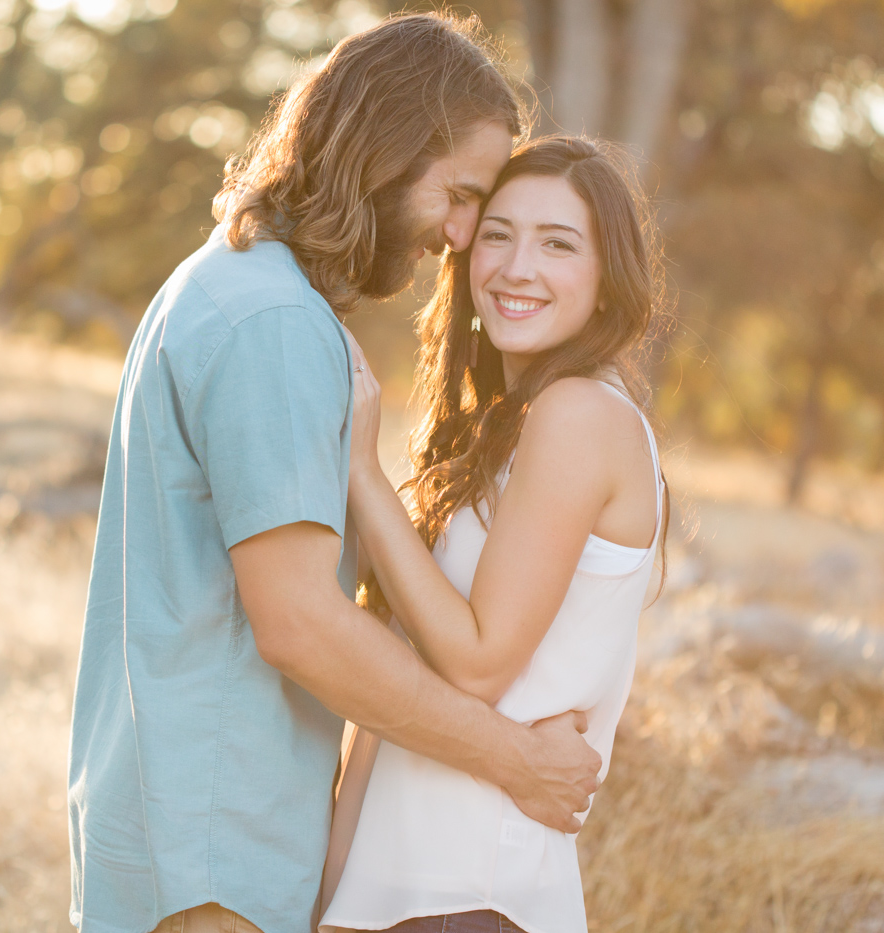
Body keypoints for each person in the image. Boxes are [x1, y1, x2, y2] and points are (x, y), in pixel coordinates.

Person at [67, 15, 602, 933]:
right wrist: (513, 759)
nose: (464, 236)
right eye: (463, 195)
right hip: (215, 855)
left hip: (184, 830)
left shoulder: (222, 280)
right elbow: (302, 625)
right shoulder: (276, 323)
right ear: (390, 147)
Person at [320, 136, 669, 933]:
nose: (516, 266)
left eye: (557, 243)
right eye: (499, 232)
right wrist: (331, 892)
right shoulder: (501, 431)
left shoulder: (580, 415)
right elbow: (392, 705)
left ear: (607, 278)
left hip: (469, 895)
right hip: (401, 894)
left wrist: (363, 475)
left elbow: (475, 665)